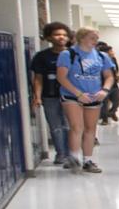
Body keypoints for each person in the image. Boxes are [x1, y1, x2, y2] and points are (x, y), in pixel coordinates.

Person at [56, 27, 114, 174]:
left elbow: (109, 76)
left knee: (90, 129)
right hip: (72, 95)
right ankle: (74, 157)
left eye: (96, 38)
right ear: (81, 38)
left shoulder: (101, 56)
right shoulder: (68, 54)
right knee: (77, 127)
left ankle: (87, 160)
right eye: (92, 38)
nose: (95, 41)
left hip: (94, 95)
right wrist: (78, 93)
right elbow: (61, 77)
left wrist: (104, 90)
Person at [28, 22, 72, 167]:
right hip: (50, 96)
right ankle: (61, 154)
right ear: (49, 37)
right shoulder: (42, 57)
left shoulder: (74, 55)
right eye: (57, 35)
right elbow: (38, 79)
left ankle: (71, 153)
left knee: (69, 125)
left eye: (64, 35)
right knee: (55, 126)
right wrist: (37, 96)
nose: (61, 37)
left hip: (71, 97)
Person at [97, 42, 119, 126]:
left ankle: (112, 112)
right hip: (103, 85)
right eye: (110, 51)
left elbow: (115, 70)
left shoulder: (113, 59)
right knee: (104, 103)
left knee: (117, 101)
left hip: (114, 84)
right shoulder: (99, 60)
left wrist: (117, 76)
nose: (113, 52)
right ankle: (105, 118)